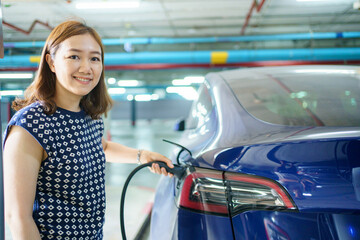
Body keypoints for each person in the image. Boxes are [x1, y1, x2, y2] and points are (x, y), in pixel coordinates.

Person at [2, 20, 174, 240]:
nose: (86, 67)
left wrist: (142, 156)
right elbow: (17, 217)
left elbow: (101, 147)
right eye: (74, 56)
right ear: (51, 62)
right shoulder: (30, 125)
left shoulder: (88, 115)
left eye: (94, 58)